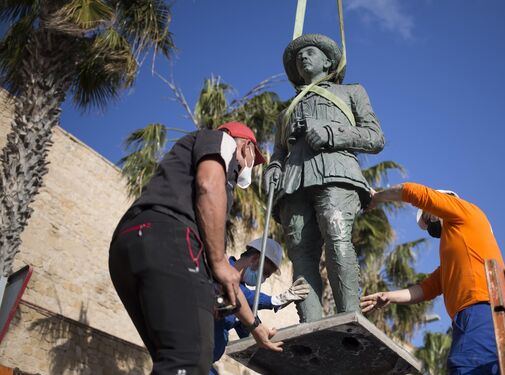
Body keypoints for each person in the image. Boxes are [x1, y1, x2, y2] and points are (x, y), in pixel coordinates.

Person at [109, 122, 283, 375]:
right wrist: (219, 260)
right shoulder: (222, 141)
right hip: (169, 238)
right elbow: (208, 184)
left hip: (129, 246)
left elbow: (228, 288)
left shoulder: (199, 224)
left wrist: (256, 327)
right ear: (246, 145)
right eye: (251, 159)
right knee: (189, 361)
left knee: (176, 359)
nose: (247, 167)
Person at [263, 34, 384, 322]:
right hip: (293, 183)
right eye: (298, 56)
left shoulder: (352, 92)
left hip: (336, 173)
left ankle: (348, 316)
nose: (302, 57)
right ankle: (310, 322)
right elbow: (279, 152)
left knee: (337, 237)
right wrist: (272, 169)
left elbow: (375, 137)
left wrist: (331, 133)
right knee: (300, 252)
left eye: (310, 52)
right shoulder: (286, 113)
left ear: (328, 61)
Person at [361, 183, 505, 375]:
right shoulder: (457, 248)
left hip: (480, 309)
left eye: (428, 216)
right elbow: (426, 289)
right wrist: (388, 296)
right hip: (472, 314)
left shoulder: (464, 212)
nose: (428, 222)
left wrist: (378, 197)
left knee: (467, 368)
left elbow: (415, 192)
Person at [209, 238, 310, 375]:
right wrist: (275, 300)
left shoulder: (245, 305)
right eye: (266, 273)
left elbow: (251, 329)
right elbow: (238, 293)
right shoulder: (218, 271)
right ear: (255, 259)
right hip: (188, 352)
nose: (263, 279)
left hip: (206, 361)